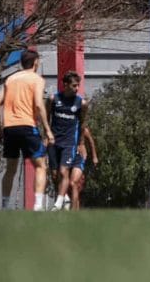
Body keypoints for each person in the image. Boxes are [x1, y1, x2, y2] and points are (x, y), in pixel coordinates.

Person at [0, 50, 54, 211]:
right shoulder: (37, 79)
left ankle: (5, 206)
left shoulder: (10, 79)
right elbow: (39, 105)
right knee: (40, 166)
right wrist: (47, 130)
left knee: (10, 169)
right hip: (28, 126)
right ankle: (38, 206)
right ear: (35, 62)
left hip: (9, 129)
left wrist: (0, 131)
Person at [46, 71, 88, 211]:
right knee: (54, 175)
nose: (77, 88)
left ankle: (58, 204)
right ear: (65, 85)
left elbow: (83, 124)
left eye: (78, 86)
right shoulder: (53, 99)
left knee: (64, 171)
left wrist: (81, 143)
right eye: (74, 85)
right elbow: (46, 119)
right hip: (53, 142)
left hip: (69, 142)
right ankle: (65, 198)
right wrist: (46, 135)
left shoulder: (81, 103)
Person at [68, 124, 99, 210]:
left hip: (80, 158)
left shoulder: (83, 129)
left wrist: (94, 156)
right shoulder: (68, 126)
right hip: (69, 157)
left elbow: (91, 142)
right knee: (71, 187)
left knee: (76, 184)